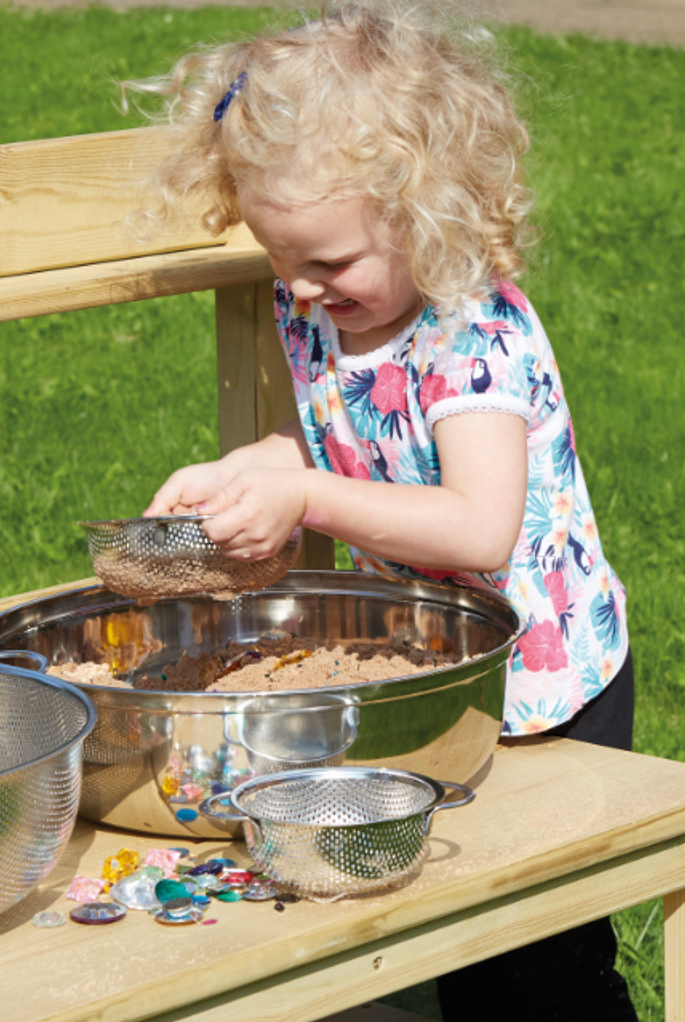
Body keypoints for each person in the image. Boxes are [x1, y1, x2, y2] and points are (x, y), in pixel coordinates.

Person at [127, 2, 636, 1019]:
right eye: (281, 259)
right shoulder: (326, 306)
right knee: (443, 927)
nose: (302, 290)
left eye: (327, 263)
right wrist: (254, 469)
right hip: (429, 672)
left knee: (532, 959)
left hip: (543, 685)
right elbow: (348, 438)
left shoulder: (467, 332)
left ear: (426, 213)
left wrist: (308, 494)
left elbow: (473, 525)